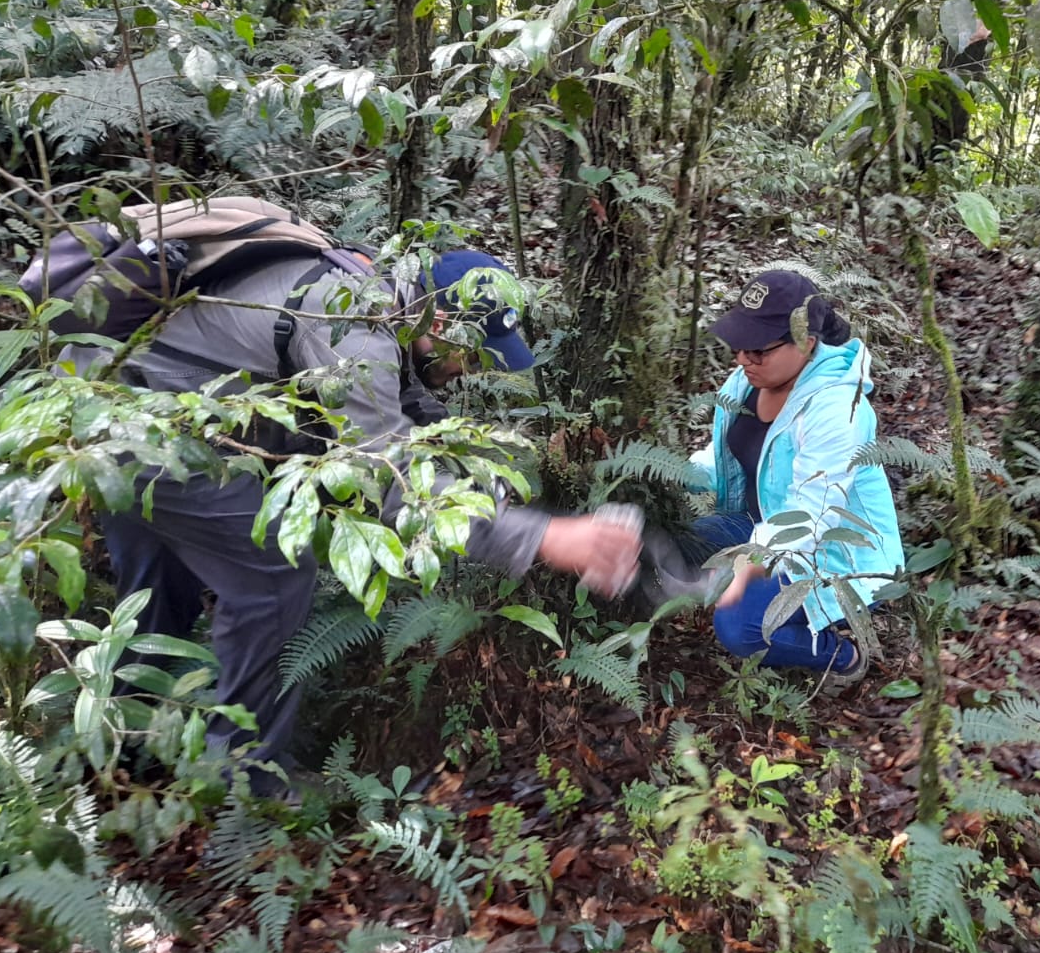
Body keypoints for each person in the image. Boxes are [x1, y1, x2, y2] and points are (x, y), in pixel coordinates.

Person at [83, 236, 640, 793]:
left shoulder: (375, 298)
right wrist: (545, 536)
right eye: (472, 354)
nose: (469, 370)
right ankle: (244, 786)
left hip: (109, 412)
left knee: (156, 592)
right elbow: (392, 484)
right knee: (273, 576)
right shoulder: (356, 329)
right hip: (155, 432)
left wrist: (485, 479)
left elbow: (407, 416)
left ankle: (117, 751)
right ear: (442, 323)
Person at [690, 269, 903, 686]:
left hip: (834, 557)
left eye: (757, 350)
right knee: (684, 539)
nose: (742, 359)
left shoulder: (837, 408)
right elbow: (726, 461)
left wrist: (748, 566)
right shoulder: (745, 382)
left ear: (806, 342)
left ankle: (842, 655)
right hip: (761, 524)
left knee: (739, 628)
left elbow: (813, 515)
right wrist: (679, 475)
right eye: (738, 347)